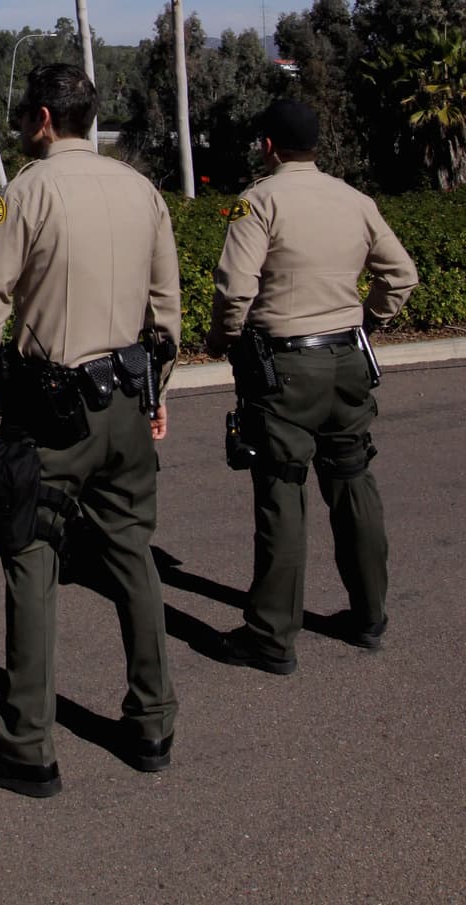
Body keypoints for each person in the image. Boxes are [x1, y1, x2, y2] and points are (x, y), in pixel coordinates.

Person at [0, 63, 182, 797]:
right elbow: (168, 311)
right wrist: (156, 390)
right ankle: (152, 719)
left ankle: (26, 742)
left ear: (44, 119)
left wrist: (4, 369)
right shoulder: (141, 189)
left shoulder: (24, 192)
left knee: (30, 554)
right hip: (127, 400)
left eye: (25, 115)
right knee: (131, 554)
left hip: (53, 409)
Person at [207, 99, 418, 675]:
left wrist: (222, 338)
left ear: (269, 146)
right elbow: (401, 274)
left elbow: (235, 289)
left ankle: (272, 635)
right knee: (352, 479)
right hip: (348, 356)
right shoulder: (356, 200)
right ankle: (369, 615)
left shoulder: (257, 201)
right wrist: (368, 319)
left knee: (282, 488)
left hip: (284, 365)